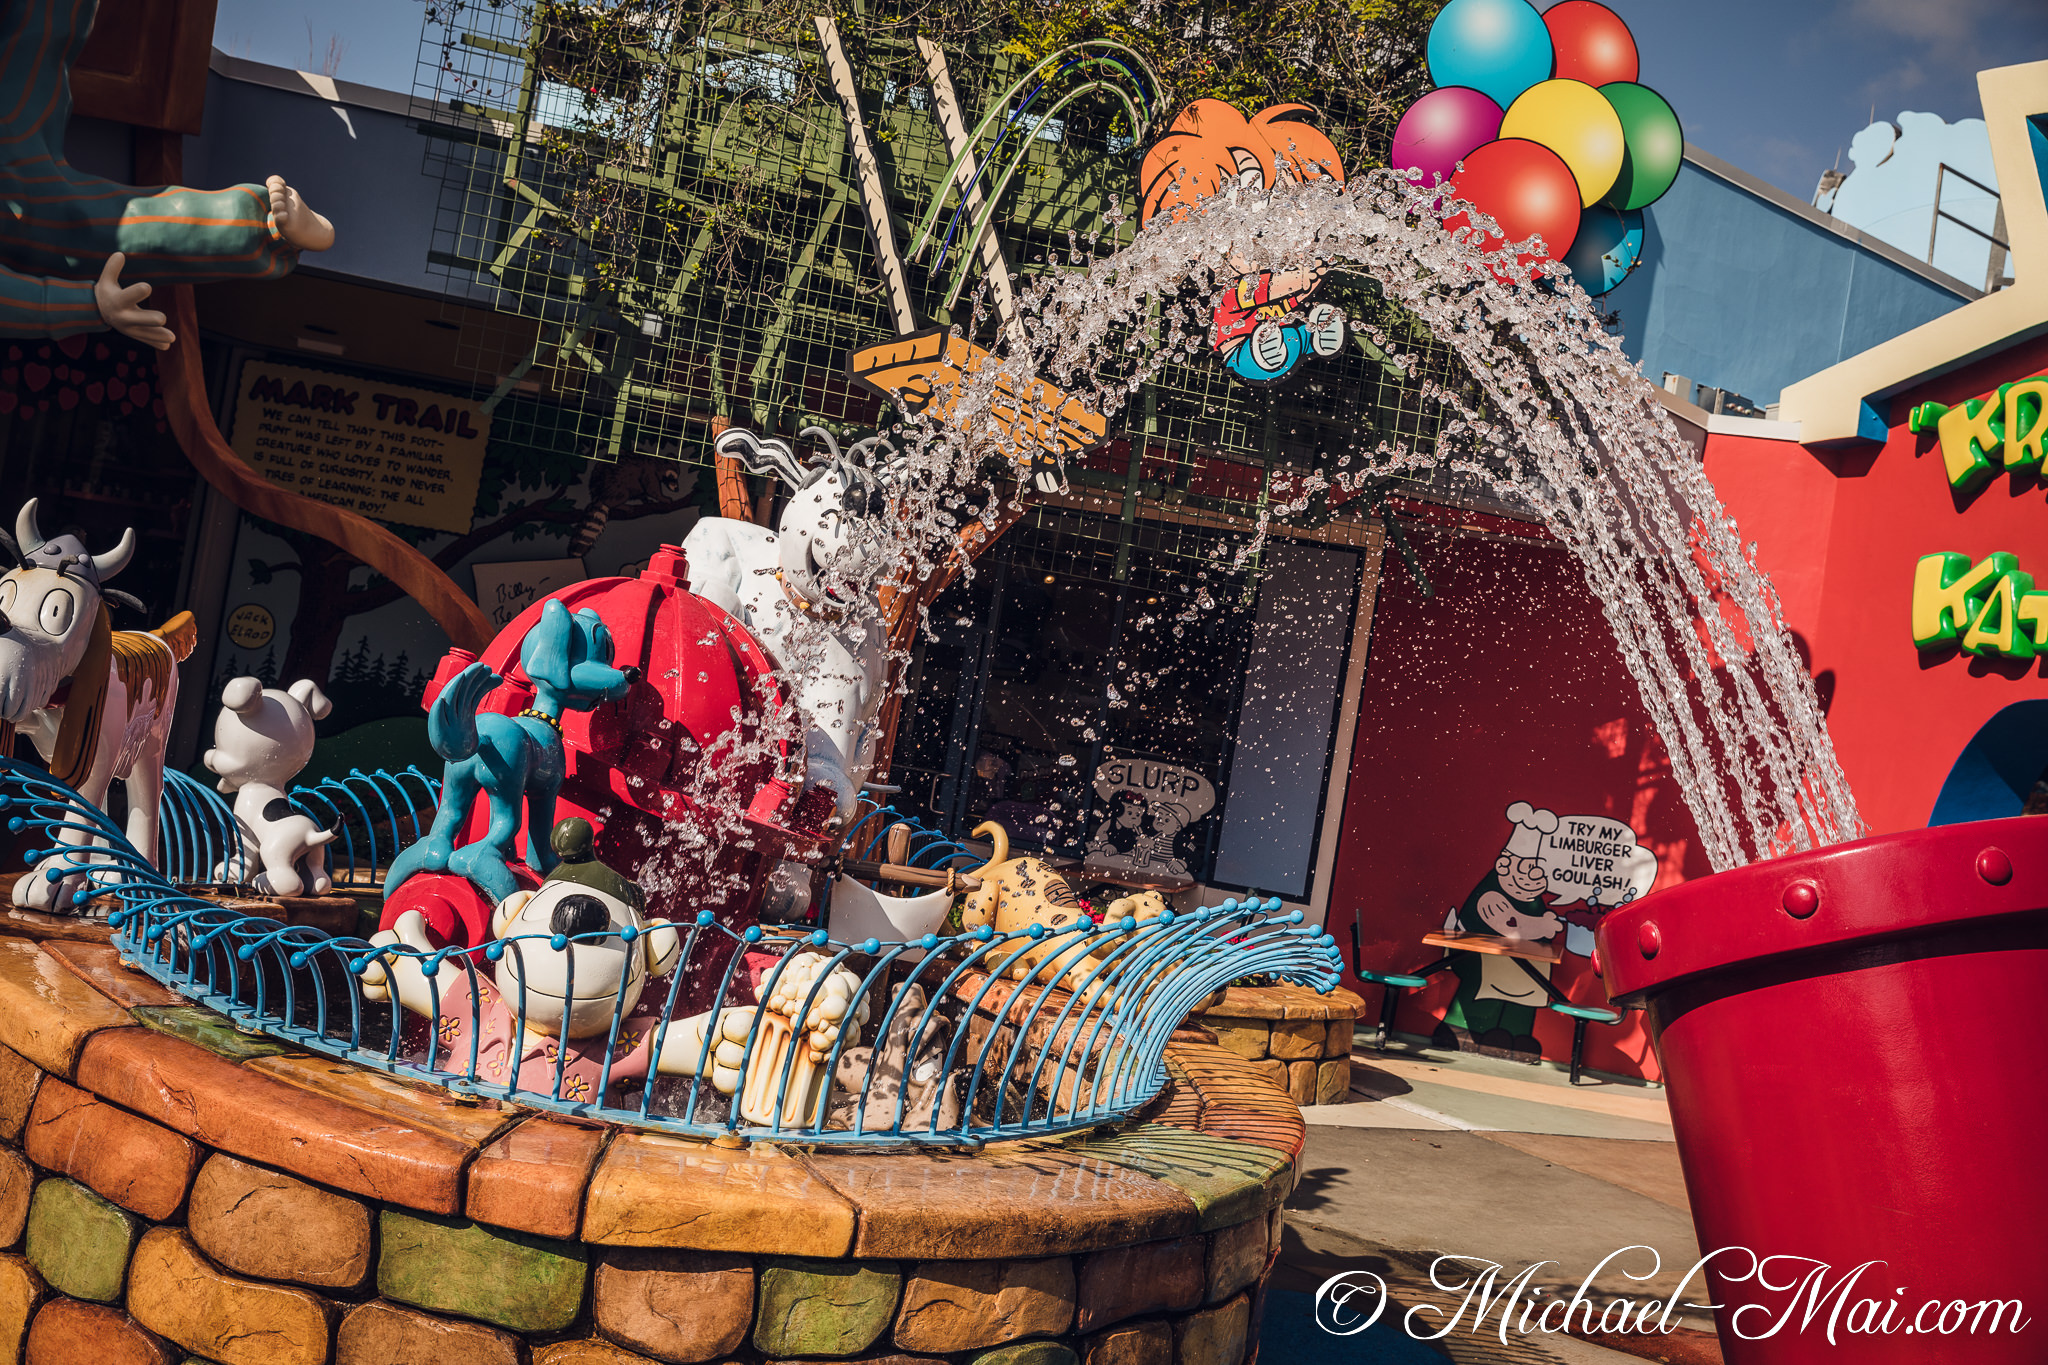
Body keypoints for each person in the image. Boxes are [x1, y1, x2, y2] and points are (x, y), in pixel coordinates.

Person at [0, 0, 334, 349]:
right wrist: (93, 306)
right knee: (92, 224)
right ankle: (266, 226)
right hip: (23, 198)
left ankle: (265, 226)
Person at [1137, 99, 1349, 386]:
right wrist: (1294, 280)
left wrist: (1311, 274)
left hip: (1287, 332)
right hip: (1240, 345)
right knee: (1261, 357)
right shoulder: (1234, 288)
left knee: (1295, 334)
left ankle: (1315, 335)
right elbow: (1251, 293)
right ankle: (1268, 351)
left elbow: (1300, 287)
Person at [1436, 802, 1565, 1061]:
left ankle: (1514, 1036)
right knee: (1486, 978)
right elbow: (1508, 924)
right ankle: (1458, 1029)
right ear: (1505, 865)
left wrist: (1543, 925)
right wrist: (1544, 925)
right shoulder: (1490, 892)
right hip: (1476, 958)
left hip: (1518, 960)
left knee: (1529, 981)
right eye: (1528, 868)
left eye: (1537, 870)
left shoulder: (1532, 898)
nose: (1534, 877)